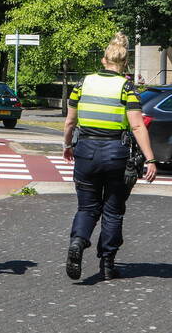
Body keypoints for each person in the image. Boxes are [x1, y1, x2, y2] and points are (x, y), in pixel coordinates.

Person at [62, 33, 158, 281]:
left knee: (87, 207)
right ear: (124, 63)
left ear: (104, 59)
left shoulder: (83, 83)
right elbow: (137, 127)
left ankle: (78, 242)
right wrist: (150, 159)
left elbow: (70, 121)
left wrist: (67, 146)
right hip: (115, 154)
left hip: (85, 151)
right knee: (113, 211)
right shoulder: (127, 88)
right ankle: (107, 264)